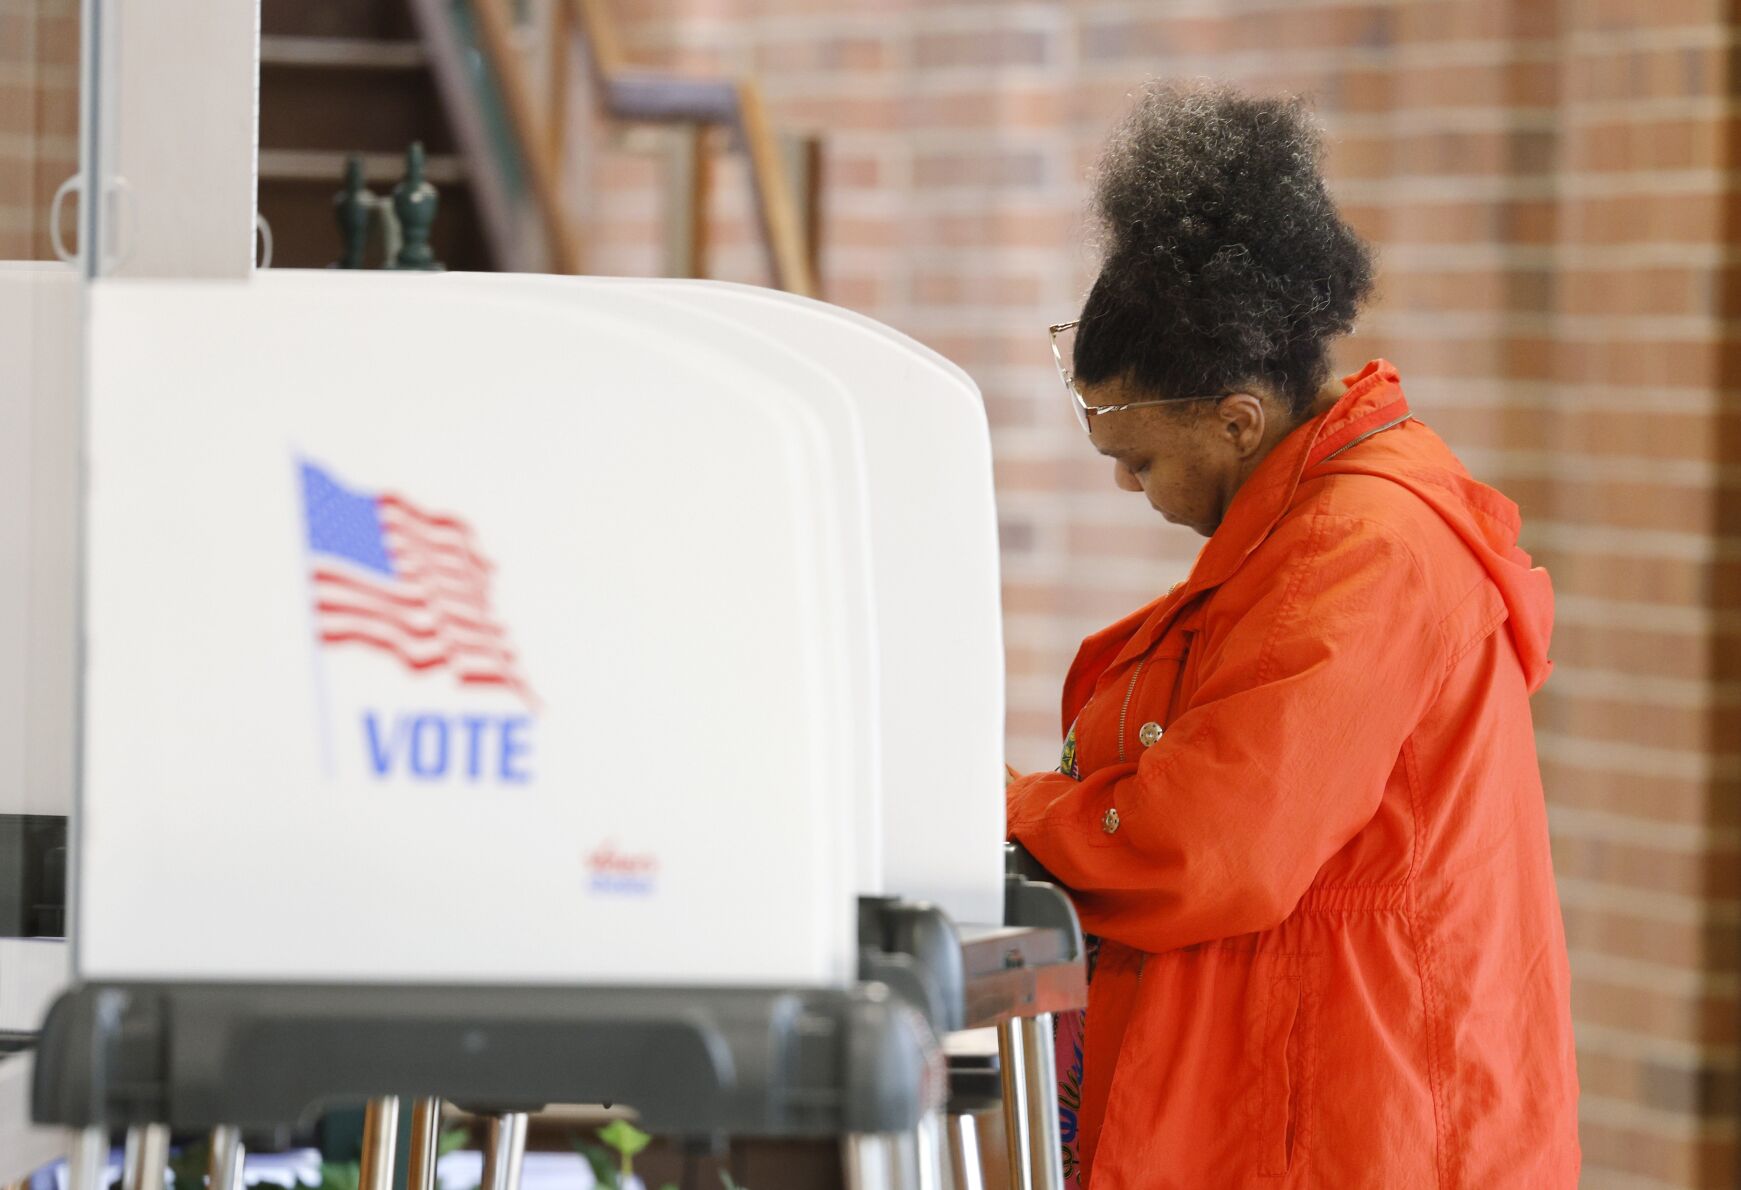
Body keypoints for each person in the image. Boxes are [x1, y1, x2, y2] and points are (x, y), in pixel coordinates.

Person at [1004, 83, 1580, 1188]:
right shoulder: (1315, 529)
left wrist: (1011, 806)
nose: (1133, 487)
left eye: (1140, 459)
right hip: (1336, 1086)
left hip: (1378, 1117)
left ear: (1236, 417)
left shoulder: (1365, 549)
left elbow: (1211, 839)